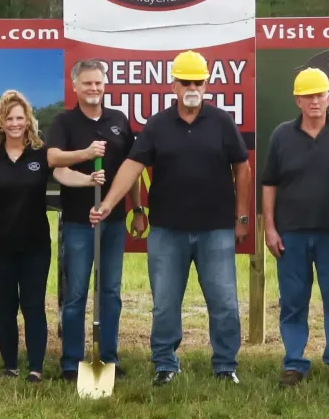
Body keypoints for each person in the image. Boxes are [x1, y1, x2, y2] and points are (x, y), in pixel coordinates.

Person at [94, 49, 252, 386]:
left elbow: (242, 167)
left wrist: (241, 216)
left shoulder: (222, 121)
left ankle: (226, 366)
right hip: (167, 230)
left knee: (224, 303)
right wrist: (109, 203)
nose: (192, 86)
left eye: (198, 80)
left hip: (216, 230)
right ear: (174, 86)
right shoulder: (157, 124)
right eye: (185, 81)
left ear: (207, 84)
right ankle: (165, 364)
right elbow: (133, 166)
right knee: (165, 304)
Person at [0, 91, 100, 380]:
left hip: (34, 246)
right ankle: (10, 365)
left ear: (28, 121)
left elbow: (63, 174)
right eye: (9, 118)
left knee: (33, 305)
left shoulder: (41, 153)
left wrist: (88, 179)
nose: (15, 123)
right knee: (4, 307)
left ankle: (35, 367)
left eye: (20, 117)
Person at [260, 67, 329, 387]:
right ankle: (294, 362)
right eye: (308, 96)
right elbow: (269, 184)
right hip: (291, 232)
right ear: (297, 101)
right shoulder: (281, 134)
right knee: (293, 300)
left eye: (320, 95)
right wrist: (270, 228)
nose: (315, 101)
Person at [46, 60, 136, 384]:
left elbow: (132, 168)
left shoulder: (119, 121)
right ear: (75, 86)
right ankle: (72, 362)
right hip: (78, 222)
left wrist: (136, 209)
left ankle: (108, 359)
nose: (94, 89)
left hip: (112, 221)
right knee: (76, 294)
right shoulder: (64, 122)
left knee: (110, 292)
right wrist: (85, 155)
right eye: (87, 83)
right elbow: (53, 159)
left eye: (98, 83)